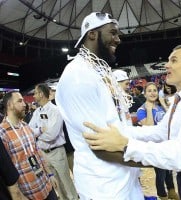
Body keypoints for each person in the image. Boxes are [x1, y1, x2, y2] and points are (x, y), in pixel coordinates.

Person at [83, 45, 181, 200]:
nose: (167, 65)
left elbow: (180, 155)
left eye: (173, 60)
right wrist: (120, 131)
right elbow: (161, 132)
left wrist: (125, 144)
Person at [55, 12, 144, 199]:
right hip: (104, 186)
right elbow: (102, 146)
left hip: (124, 177)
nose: (118, 39)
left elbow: (119, 127)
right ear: (92, 34)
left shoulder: (98, 70)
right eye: (113, 33)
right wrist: (158, 159)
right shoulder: (78, 76)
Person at [0, 91, 58, 200]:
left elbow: (38, 152)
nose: (24, 104)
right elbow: (6, 171)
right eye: (20, 101)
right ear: (9, 105)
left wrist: (50, 174)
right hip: (29, 194)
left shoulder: (25, 126)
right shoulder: (2, 133)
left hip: (46, 186)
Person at [29, 84, 78, 200]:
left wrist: (37, 134)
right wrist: (40, 130)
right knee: (56, 183)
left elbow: (52, 135)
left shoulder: (55, 110)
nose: (34, 96)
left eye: (35, 93)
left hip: (56, 152)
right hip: (43, 153)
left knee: (66, 181)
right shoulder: (37, 112)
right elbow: (29, 130)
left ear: (41, 94)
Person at [136, 82, 179, 200]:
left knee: (168, 171)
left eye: (154, 90)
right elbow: (148, 130)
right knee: (160, 174)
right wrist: (149, 110)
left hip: (165, 144)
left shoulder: (159, 106)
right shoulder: (142, 110)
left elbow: (170, 121)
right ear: (144, 94)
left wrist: (165, 105)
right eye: (149, 91)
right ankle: (163, 196)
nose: (152, 93)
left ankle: (171, 192)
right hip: (155, 147)